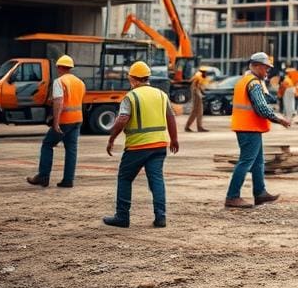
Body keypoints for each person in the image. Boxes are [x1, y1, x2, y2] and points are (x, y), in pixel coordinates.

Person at [102, 61, 179, 228]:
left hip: (137, 147)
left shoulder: (131, 96)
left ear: (133, 79)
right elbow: (171, 117)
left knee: (125, 178)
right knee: (156, 180)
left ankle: (122, 216)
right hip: (159, 145)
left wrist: (111, 139)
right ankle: (161, 217)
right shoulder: (161, 94)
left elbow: (122, 119)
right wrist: (174, 139)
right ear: (147, 78)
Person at [224, 52, 293, 209]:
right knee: (246, 162)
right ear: (256, 66)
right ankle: (232, 196)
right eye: (266, 68)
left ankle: (260, 193)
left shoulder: (246, 81)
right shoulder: (253, 83)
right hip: (249, 128)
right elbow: (261, 108)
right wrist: (278, 119)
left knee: (258, 162)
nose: (267, 71)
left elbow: (263, 101)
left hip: (248, 127)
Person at [27, 55, 86, 188]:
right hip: (77, 120)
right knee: (71, 149)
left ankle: (43, 177)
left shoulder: (59, 81)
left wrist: (55, 122)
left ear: (59, 67)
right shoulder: (80, 82)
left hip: (65, 120)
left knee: (47, 144)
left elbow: (58, 102)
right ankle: (68, 180)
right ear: (70, 68)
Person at [185, 67, 210, 132]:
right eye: (204, 72)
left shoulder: (201, 77)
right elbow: (194, 87)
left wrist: (202, 93)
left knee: (199, 112)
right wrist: (198, 94)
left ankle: (198, 127)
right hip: (196, 94)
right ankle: (194, 127)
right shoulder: (197, 76)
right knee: (196, 111)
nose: (205, 73)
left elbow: (200, 87)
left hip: (198, 94)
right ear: (202, 72)